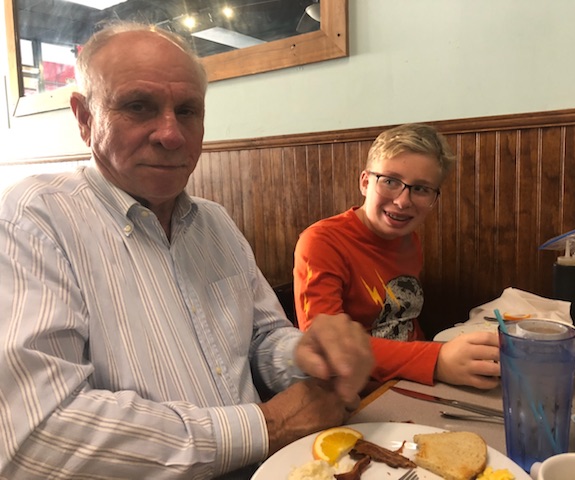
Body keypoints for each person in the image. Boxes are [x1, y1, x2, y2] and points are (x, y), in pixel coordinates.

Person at [0, 23, 374, 479]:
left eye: (187, 110)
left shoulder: (215, 222)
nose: (171, 134)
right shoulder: (32, 220)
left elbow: (259, 340)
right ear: (84, 118)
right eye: (138, 106)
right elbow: (38, 436)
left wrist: (305, 354)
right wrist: (268, 425)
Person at [294, 123, 500, 391]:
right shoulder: (323, 241)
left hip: (415, 378)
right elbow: (326, 347)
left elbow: (403, 325)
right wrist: (437, 360)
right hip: (357, 392)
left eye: (421, 189)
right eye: (390, 181)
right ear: (365, 182)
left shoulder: (409, 239)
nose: (403, 201)